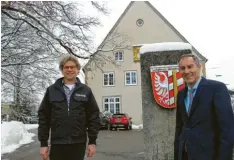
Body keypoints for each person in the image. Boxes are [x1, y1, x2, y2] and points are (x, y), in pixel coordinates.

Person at [38, 55, 100, 160]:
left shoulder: (86, 91)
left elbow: (93, 117)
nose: (69, 69)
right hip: (57, 143)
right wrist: (43, 143)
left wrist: (92, 142)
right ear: (62, 70)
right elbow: (44, 117)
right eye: (66, 67)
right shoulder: (51, 90)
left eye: (72, 67)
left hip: (78, 143)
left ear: (78, 69)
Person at [174, 54, 234, 160]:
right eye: (182, 68)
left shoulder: (216, 89)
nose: (186, 71)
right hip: (185, 155)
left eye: (190, 66)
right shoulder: (181, 94)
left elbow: (227, 130)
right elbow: (180, 128)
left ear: (199, 67)